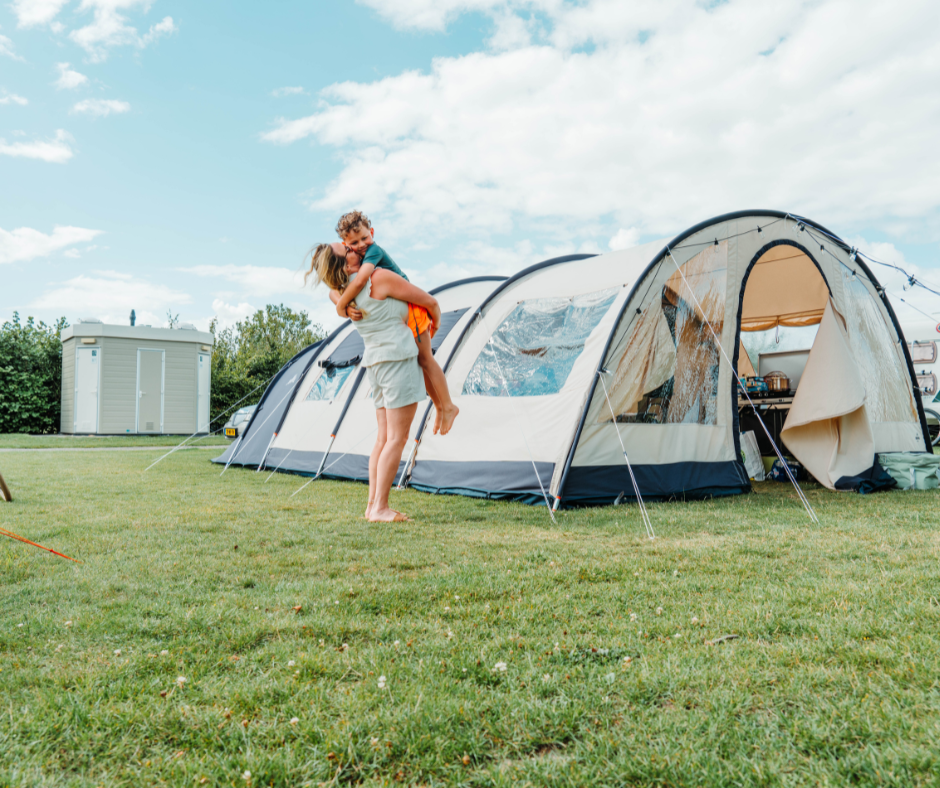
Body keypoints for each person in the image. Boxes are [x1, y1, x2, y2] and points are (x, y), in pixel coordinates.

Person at [307, 242, 440, 523]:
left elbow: (334, 293)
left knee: (383, 438)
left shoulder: (343, 293)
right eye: (347, 249)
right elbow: (430, 301)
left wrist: (341, 306)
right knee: (397, 438)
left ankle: (372, 506)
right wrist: (435, 322)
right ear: (345, 263)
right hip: (397, 360)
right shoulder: (378, 278)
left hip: (375, 365)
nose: (355, 248)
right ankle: (380, 507)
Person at [332, 210, 459, 436]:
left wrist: (342, 306)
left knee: (426, 359)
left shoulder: (373, 251)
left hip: (412, 307)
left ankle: (447, 404)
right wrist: (340, 304)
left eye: (364, 237)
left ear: (371, 232)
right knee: (420, 362)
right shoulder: (354, 260)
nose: (362, 244)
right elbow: (332, 289)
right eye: (354, 242)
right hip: (401, 311)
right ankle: (440, 406)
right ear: (346, 244)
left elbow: (362, 280)